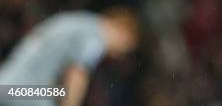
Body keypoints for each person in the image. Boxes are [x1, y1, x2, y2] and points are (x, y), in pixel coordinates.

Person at [0, 8, 139, 106]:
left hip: (8, 84)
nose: (120, 55)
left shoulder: (79, 22)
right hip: (26, 91)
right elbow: (77, 73)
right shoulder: (95, 36)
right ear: (123, 32)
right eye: (125, 47)